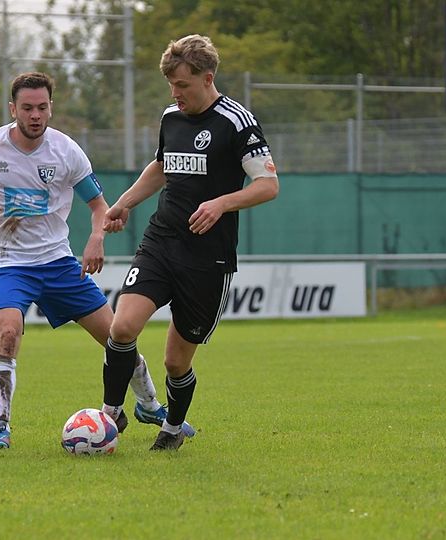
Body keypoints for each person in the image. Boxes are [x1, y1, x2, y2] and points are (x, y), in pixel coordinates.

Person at [0, 72, 193, 450]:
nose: (35, 115)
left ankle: (149, 405)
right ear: (13, 109)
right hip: (6, 262)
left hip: (57, 262)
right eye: (27, 108)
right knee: (8, 334)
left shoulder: (66, 151)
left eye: (41, 107)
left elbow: (98, 205)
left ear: (51, 108)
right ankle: (1, 428)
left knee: (118, 337)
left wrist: (96, 238)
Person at [100, 35, 280, 451]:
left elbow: (268, 185)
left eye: (182, 85)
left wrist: (221, 203)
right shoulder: (172, 117)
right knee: (122, 327)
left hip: (207, 258)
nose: (174, 94)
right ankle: (109, 415)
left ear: (207, 78)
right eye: (170, 85)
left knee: (175, 362)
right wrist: (124, 203)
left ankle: (173, 428)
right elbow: (162, 165)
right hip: (161, 241)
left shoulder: (237, 122)